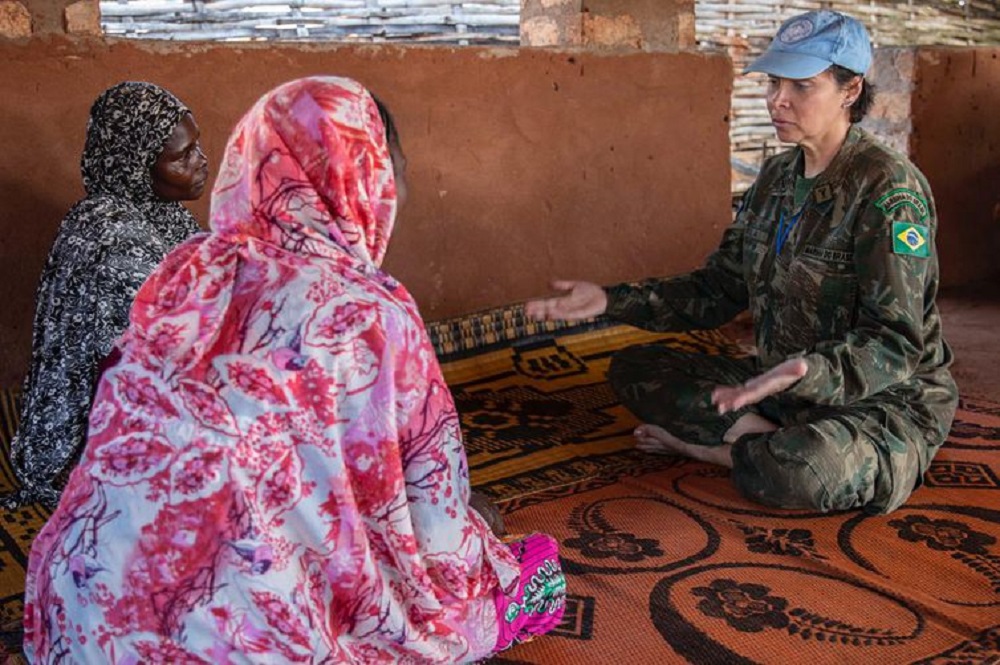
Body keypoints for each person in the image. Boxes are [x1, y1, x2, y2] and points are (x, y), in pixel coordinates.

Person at [24, 76, 565, 663]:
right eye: (395, 171)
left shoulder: (186, 270)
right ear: (364, 176)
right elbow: (435, 530)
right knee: (520, 570)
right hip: (233, 641)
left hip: (75, 616)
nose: (398, 192)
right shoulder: (368, 310)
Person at [526, 10, 957, 515]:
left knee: (805, 471)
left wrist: (810, 371)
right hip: (777, 384)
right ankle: (763, 442)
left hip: (880, 402)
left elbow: (896, 343)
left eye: (801, 85)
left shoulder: (888, 190)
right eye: (775, 82)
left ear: (850, 90)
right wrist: (609, 299)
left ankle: (714, 449)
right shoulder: (776, 178)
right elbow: (717, 288)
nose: (778, 99)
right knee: (635, 368)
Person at [3, 81, 207, 509]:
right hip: (94, 440)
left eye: (197, 147)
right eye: (182, 156)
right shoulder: (108, 237)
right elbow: (163, 357)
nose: (200, 161)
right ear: (137, 165)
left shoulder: (166, 217)